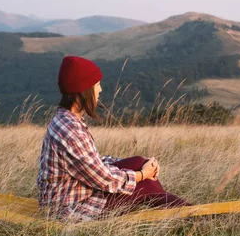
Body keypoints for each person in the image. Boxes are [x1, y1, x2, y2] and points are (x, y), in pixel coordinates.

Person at [37, 56, 190, 221]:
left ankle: (187, 214)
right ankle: (195, 216)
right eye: (97, 85)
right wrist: (141, 174)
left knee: (139, 163)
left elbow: (92, 163)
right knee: (144, 184)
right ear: (84, 90)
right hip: (69, 210)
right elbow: (103, 179)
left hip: (69, 198)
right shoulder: (71, 130)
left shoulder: (66, 120)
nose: (100, 90)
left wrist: (140, 165)